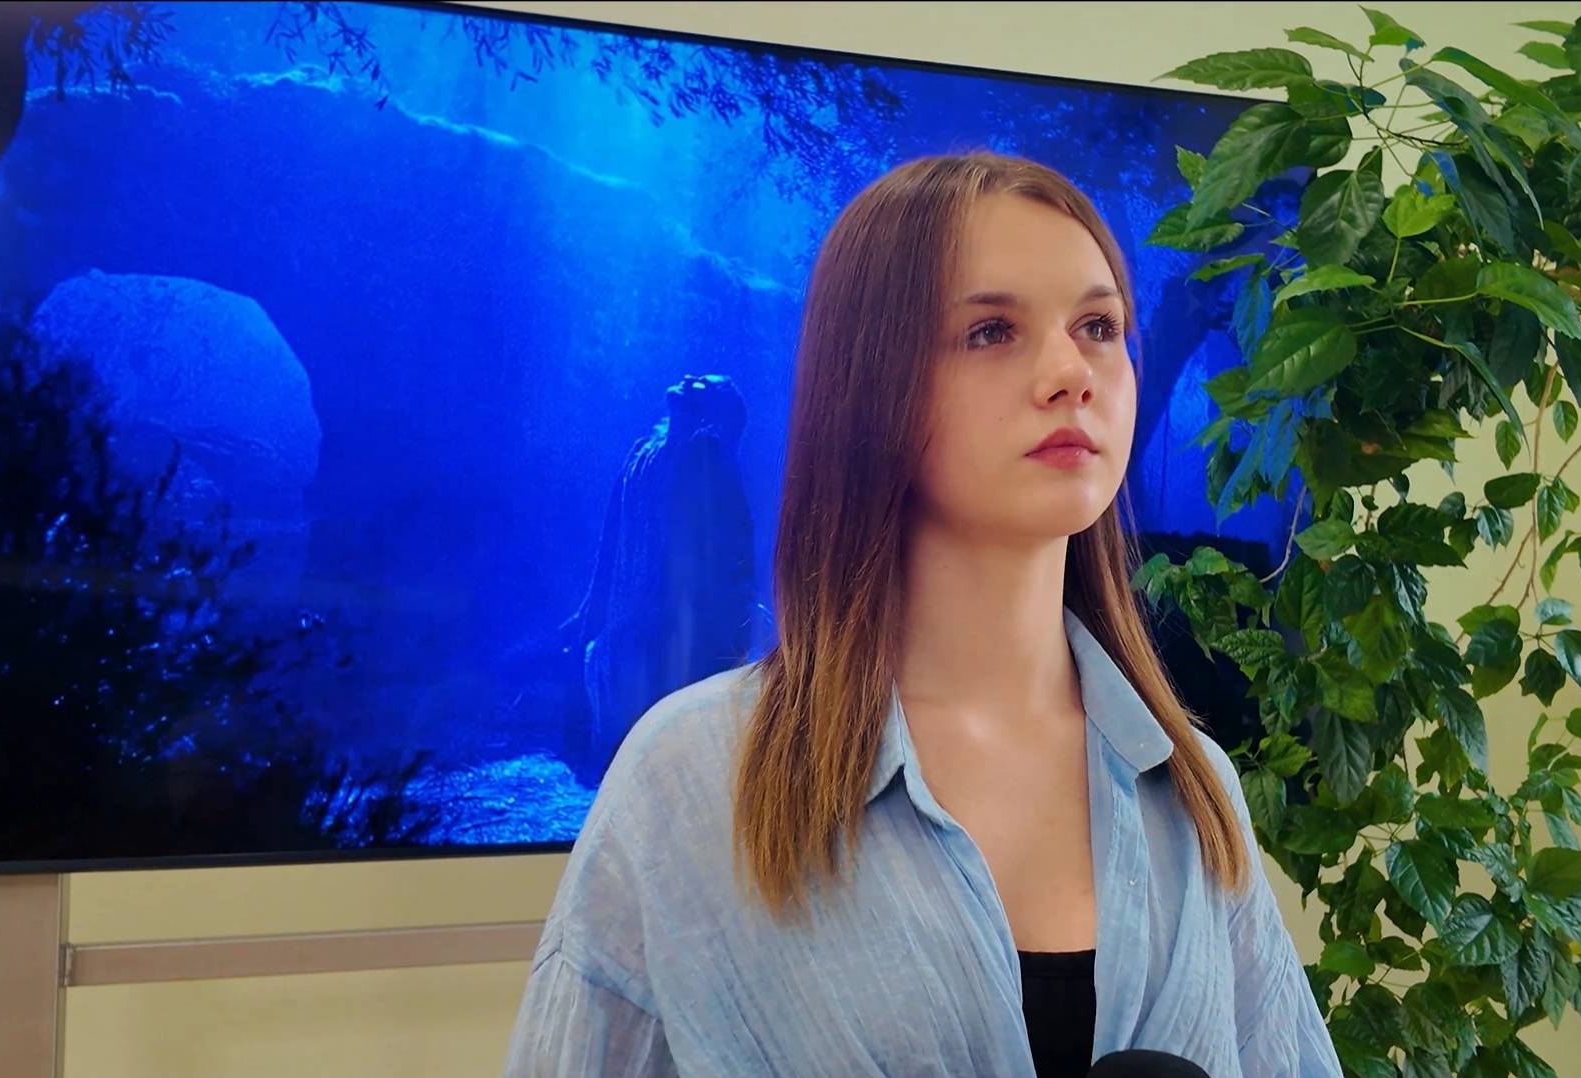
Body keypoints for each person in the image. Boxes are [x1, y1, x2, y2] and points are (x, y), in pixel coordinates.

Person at [503, 151, 1340, 1078]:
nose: (1072, 372)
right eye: (991, 331)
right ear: (871, 387)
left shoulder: (1194, 789)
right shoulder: (689, 783)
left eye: (1099, 326)